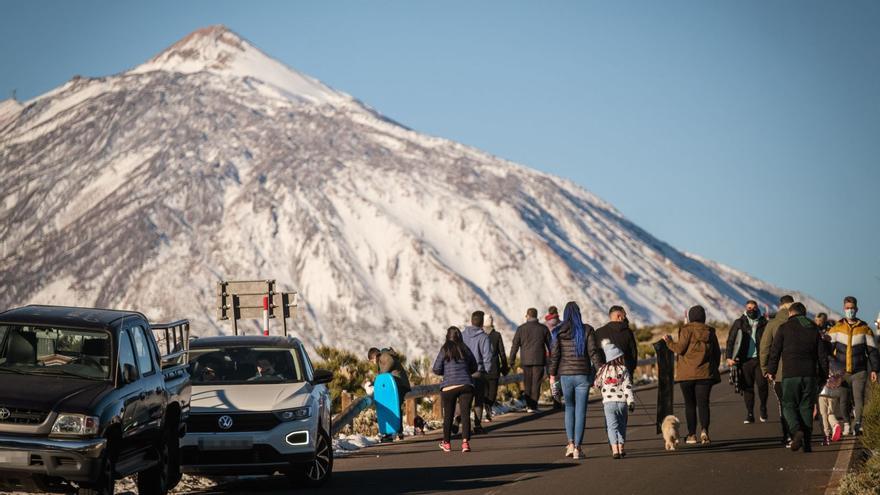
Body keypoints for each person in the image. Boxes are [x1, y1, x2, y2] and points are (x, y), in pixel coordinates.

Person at [766, 302, 829, 453]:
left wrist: (771, 370)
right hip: (810, 375)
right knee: (807, 408)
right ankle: (807, 444)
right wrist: (823, 375)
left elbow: (775, 351)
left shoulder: (784, 328)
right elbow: (822, 355)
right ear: (804, 313)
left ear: (791, 313)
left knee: (788, 405)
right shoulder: (813, 328)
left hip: (790, 374)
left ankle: (796, 430)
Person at [663, 305, 721, 445]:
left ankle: (691, 435)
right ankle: (705, 431)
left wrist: (668, 341)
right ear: (703, 317)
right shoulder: (710, 332)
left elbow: (680, 349)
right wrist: (712, 368)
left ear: (690, 316)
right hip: (705, 374)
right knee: (703, 404)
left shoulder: (686, 330)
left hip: (686, 375)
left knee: (690, 405)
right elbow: (717, 353)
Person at [548, 301, 597, 460]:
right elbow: (593, 352)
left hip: (565, 376)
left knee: (569, 408)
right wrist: (600, 369)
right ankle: (578, 447)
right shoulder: (587, 330)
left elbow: (554, 356)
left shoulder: (557, 331)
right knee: (581, 411)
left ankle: (570, 444)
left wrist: (552, 375)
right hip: (582, 375)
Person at [826, 296, 880, 435]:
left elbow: (872, 351)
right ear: (844, 309)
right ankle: (846, 423)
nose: (850, 310)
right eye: (847, 308)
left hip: (859, 371)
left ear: (857, 309)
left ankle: (857, 424)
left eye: (852, 308)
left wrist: (875, 369)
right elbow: (827, 351)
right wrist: (831, 367)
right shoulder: (836, 328)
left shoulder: (865, 329)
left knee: (859, 399)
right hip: (841, 372)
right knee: (843, 401)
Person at [432, 326, 478, 453]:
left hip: (448, 387)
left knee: (448, 415)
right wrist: (466, 371)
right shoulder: (465, 348)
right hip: (466, 385)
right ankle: (465, 443)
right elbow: (474, 366)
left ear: (447, 336)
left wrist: (445, 372)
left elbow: (436, 369)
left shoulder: (444, 349)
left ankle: (446, 443)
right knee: (465, 414)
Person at [759, 294, 795, 446]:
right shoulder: (804, 323)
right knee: (800, 404)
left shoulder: (773, 324)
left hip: (779, 374)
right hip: (802, 372)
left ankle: (788, 435)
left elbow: (764, 349)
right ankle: (802, 434)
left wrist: (765, 370)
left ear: (780, 306)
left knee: (784, 404)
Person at [726, 300, 769, 423]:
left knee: (762, 385)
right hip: (745, 360)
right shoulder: (739, 322)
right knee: (747, 388)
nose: (751, 310)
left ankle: (763, 407)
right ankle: (750, 414)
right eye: (749, 308)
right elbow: (731, 340)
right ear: (745, 308)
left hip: (760, 359)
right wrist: (729, 356)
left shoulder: (764, 322)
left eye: (754, 308)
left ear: (757, 308)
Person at [594, 339, 635, 459]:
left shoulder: (602, 370)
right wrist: (631, 401)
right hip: (622, 403)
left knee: (612, 427)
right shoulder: (623, 369)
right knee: (622, 426)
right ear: (618, 357)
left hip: (608, 403)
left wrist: (602, 386)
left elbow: (596, 384)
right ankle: (622, 448)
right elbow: (627, 387)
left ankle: (615, 450)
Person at [509, 308, 551, 413]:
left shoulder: (521, 329)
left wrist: (512, 360)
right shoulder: (543, 328)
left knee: (527, 383)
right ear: (536, 316)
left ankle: (529, 405)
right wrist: (552, 359)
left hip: (526, 360)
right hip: (539, 360)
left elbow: (515, 345)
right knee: (536, 383)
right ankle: (534, 405)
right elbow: (551, 345)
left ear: (527, 316)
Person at [366, 347, 412, 441]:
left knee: (393, 407)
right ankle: (396, 432)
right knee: (395, 407)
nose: (372, 363)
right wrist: (375, 382)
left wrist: (380, 376)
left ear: (374, 356)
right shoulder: (381, 359)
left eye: (371, 360)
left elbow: (391, 361)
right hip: (396, 385)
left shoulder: (383, 355)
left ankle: (393, 433)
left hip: (398, 384)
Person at [461, 311, 494, 434]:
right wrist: (487, 371)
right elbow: (487, 357)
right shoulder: (484, 337)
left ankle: (458, 419)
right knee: (478, 400)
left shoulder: (462, 335)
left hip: (463, 373)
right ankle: (477, 425)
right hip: (478, 372)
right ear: (481, 323)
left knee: (464, 399)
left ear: (471, 320)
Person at [593, 306, 639, 377]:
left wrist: (601, 370)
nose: (625, 318)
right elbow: (633, 353)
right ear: (619, 316)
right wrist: (631, 369)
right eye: (624, 315)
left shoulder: (599, 332)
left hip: (607, 375)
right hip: (626, 372)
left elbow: (596, 354)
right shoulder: (628, 332)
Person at [483, 315, 510, 421]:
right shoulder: (497, 335)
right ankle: (489, 409)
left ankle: (487, 408)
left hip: (482, 368)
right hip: (494, 367)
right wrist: (504, 367)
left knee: (485, 391)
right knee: (492, 392)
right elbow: (502, 353)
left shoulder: (479, 335)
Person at [817, 361, 845, 445]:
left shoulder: (820, 361)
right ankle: (835, 425)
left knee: (823, 414)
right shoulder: (836, 363)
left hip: (822, 392)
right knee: (830, 412)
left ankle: (826, 436)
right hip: (834, 392)